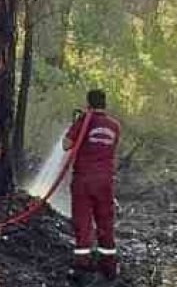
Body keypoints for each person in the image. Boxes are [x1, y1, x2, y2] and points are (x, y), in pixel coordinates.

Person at [62, 89, 121, 284]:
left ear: (88, 103)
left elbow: (66, 144)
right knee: (105, 221)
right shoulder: (115, 126)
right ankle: (109, 265)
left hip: (83, 181)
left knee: (83, 222)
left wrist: (77, 123)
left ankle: (82, 265)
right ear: (104, 104)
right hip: (105, 182)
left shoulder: (83, 122)